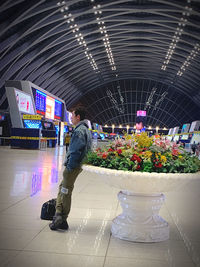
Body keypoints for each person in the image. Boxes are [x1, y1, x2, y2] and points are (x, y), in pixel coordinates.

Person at [49, 108, 92, 231]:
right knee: (63, 188)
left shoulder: (79, 131)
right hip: (78, 166)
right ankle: (60, 216)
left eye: (72, 115)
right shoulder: (86, 130)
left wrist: (69, 167)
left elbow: (75, 151)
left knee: (65, 191)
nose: (71, 118)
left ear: (78, 117)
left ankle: (60, 218)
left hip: (73, 166)